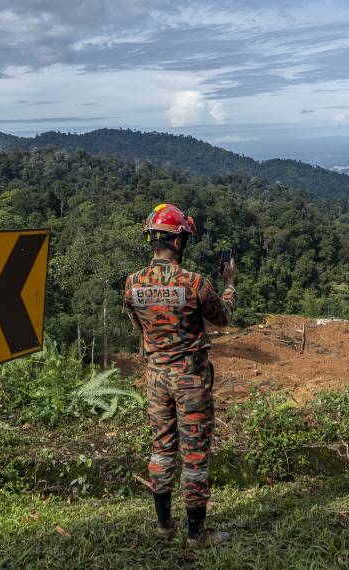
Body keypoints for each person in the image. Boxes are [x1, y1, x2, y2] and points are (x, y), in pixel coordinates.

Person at [123, 203, 236, 548]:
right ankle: (196, 534)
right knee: (195, 453)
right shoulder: (196, 284)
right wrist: (229, 284)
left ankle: (163, 525)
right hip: (190, 380)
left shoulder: (132, 284)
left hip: (156, 379)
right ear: (177, 242)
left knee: (161, 447)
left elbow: (138, 326)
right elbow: (223, 318)